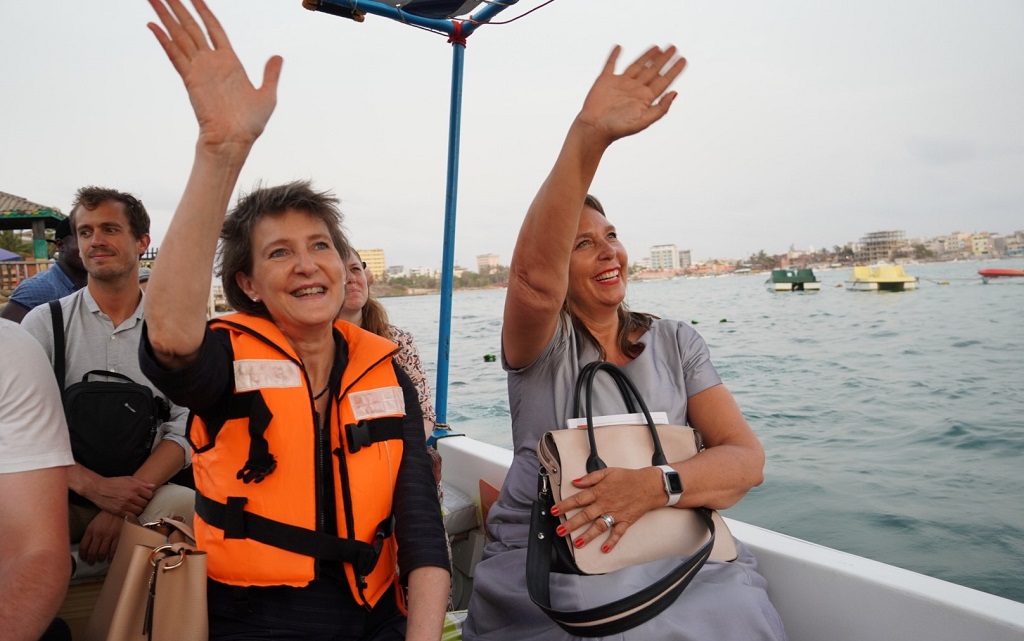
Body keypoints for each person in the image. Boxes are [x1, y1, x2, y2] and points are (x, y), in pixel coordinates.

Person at [139, 1, 450, 639]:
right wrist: (220, 153)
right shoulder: (225, 363)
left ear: (343, 265)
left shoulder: (384, 370)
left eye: (320, 246)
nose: (307, 265)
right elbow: (169, 337)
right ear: (248, 284)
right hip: (252, 619)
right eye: (280, 252)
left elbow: (421, 529)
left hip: (375, 615)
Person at [463, 46, 788, 640]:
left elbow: (746, 462)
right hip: (558, 556)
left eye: (611, 235)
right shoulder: (542, 347)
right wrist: (589, 138)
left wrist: (655, 485)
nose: (609, 250)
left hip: (672, 545)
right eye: (583, 243)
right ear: (559, 266)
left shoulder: (676, 341)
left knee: (741, 616)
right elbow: (533, 284)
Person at [21, 186, 194, 566]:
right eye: (85, 232)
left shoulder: (174, 329)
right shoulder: (45, 323)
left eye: (110, 229)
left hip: (148, 493)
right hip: (58, 493)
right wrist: (94, 488)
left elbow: (188, 426)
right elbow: (19, 427)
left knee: (187, 506)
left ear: (142, 241)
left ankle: (159, 626)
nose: (95, 241)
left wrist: (123, 506)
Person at [0, 319, 75, 641]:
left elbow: (34, 549)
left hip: (48, 484)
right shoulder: (46, 319)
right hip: (70, 483)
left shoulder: (11, 348)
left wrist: (120, 504)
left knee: (176, 505)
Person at [338, 251, 437, 435]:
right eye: (341, 273)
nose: (351, 279)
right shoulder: (312, 346)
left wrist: (408, 460)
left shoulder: (399, 340)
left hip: (398, 456)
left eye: (355, 269)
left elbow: (425, 415)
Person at [0, 217, 87, 323]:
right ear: (60, 245)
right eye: (84, 236)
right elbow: (6, 333)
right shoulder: (39, 288)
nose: (94, 245)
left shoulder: (95, 285)